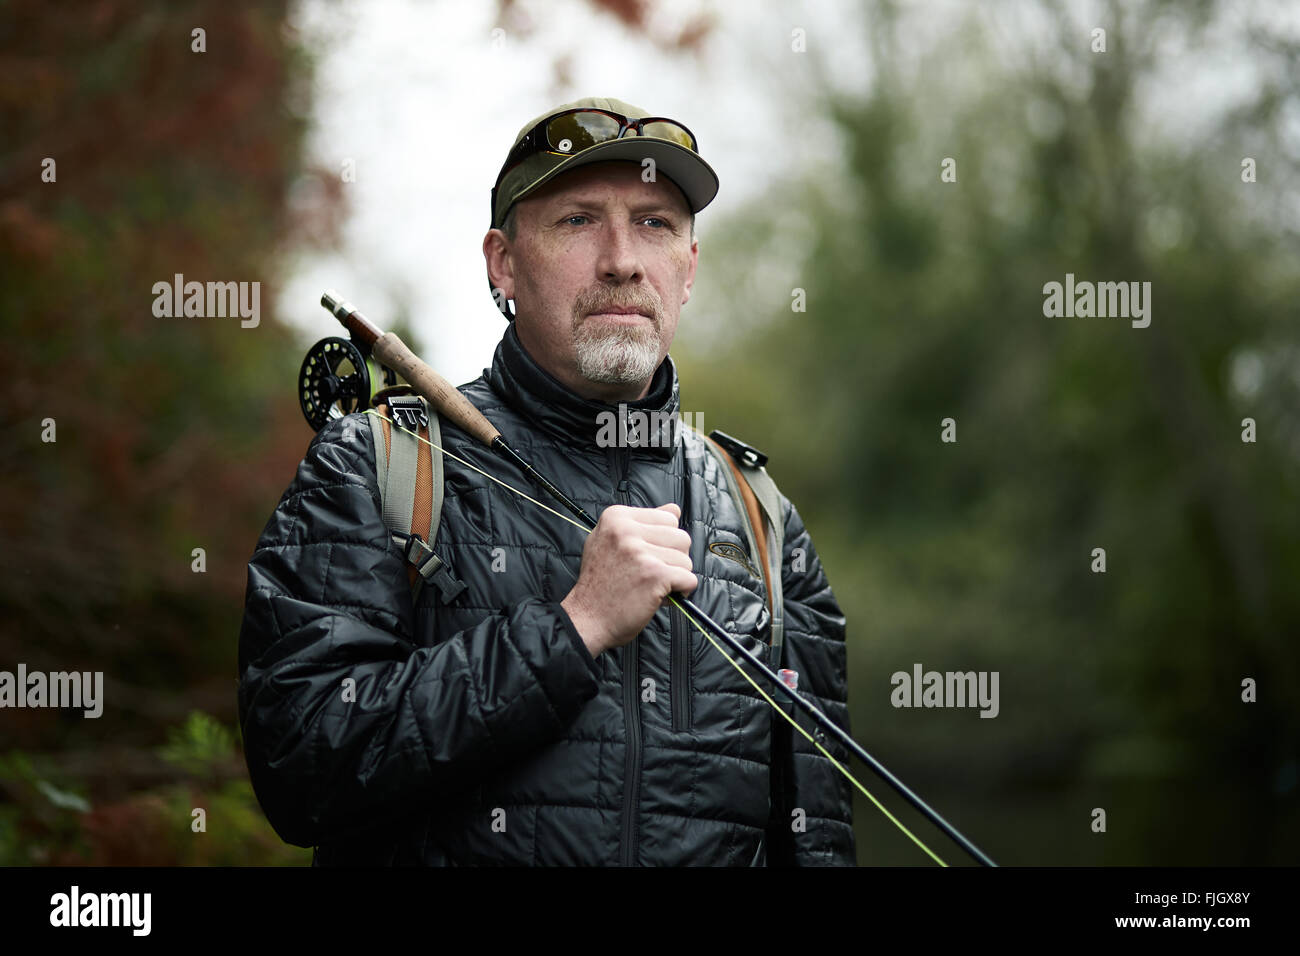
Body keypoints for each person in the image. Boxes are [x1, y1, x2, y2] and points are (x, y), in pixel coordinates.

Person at [237, 96, 855, 866]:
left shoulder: (762, 517)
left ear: (688, 270)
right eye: (578, 221)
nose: (622, 259)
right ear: (503, 263)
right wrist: (570, 629)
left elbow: (818, 840)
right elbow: (301, 769)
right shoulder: (376, 465)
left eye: (655, 223)